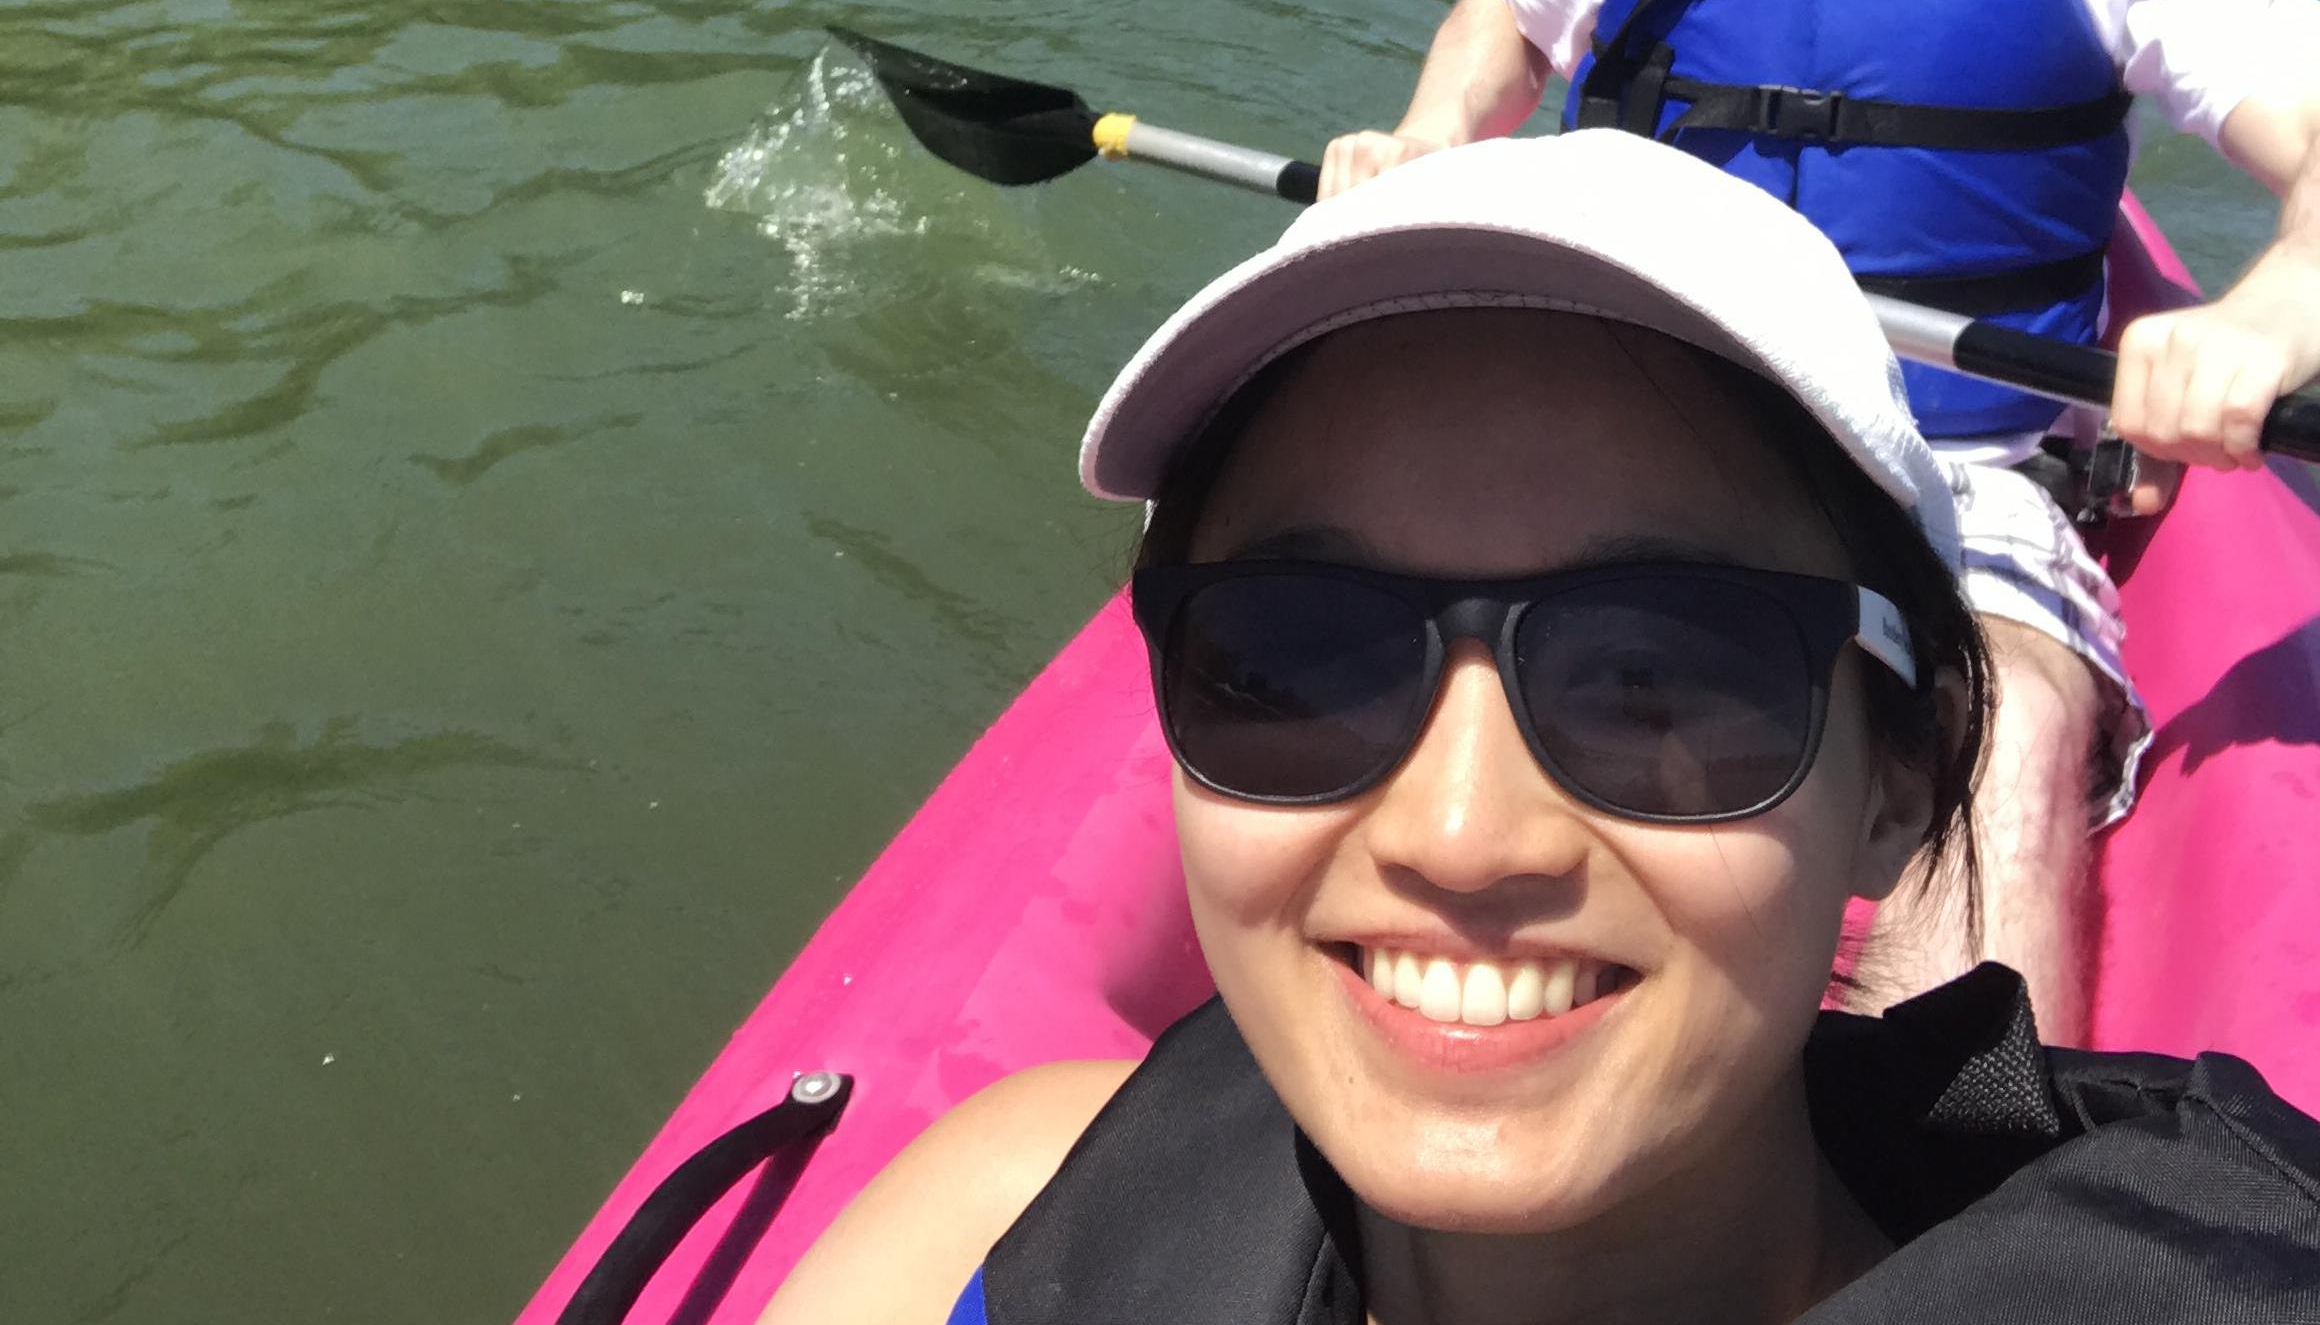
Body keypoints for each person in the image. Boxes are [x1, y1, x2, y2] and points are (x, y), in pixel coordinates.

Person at [764, 135, 2320, 1325]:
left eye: (1661, 681)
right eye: (1296, 659)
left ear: (1901, 779)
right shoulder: (996, 1212)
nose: (1458, 837)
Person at [1318, 0, 2320, 1043]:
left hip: (1967, 473)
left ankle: (1956, 1193)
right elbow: (1508, 19)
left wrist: (2260, 321)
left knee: (1996, 730)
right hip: (1659, 414)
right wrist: (1428, 138)